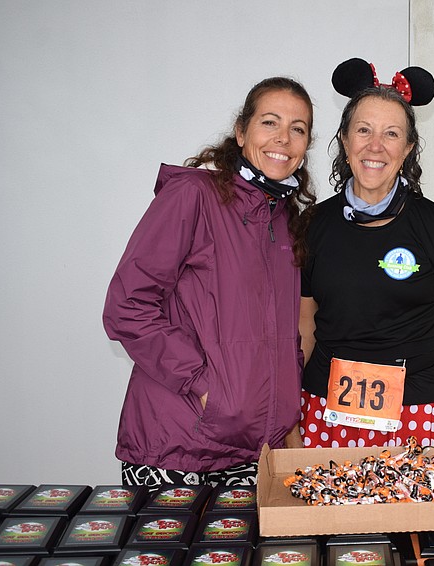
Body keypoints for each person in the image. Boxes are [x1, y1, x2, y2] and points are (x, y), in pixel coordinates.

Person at [103, 77, 316, 488]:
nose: (283, 138)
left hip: (253, 453)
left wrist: (286, 410)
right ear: (241, 132)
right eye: (269, 122)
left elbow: (283, 333)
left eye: (298, 128)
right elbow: (126, 307)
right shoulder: (193, 196)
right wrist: (203, 386)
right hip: (176, 449)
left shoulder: (286, 221)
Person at [289, 58, 434, 449]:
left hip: (418, 413)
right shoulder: (313, 224)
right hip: (324, 412)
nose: (375, 146)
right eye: (363, 130)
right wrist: (287, 419)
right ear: (344, 140)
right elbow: (303, 332)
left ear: (408, 148)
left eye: (391, 134)